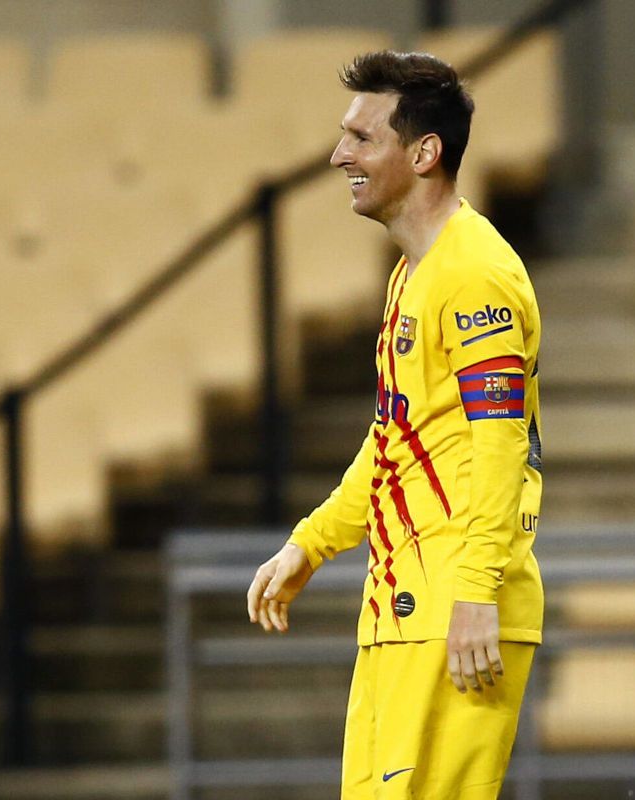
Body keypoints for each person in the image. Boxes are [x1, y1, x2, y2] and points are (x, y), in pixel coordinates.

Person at [246, 50, 544, 799]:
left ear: (423, 153)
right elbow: (394, 442)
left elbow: (500, 442)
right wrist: (311, 543)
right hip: (401, 607)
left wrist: (476, 593)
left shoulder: (474, 271)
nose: (338, 154)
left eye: (361, 138)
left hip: (456, 610)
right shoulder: (414, 274)